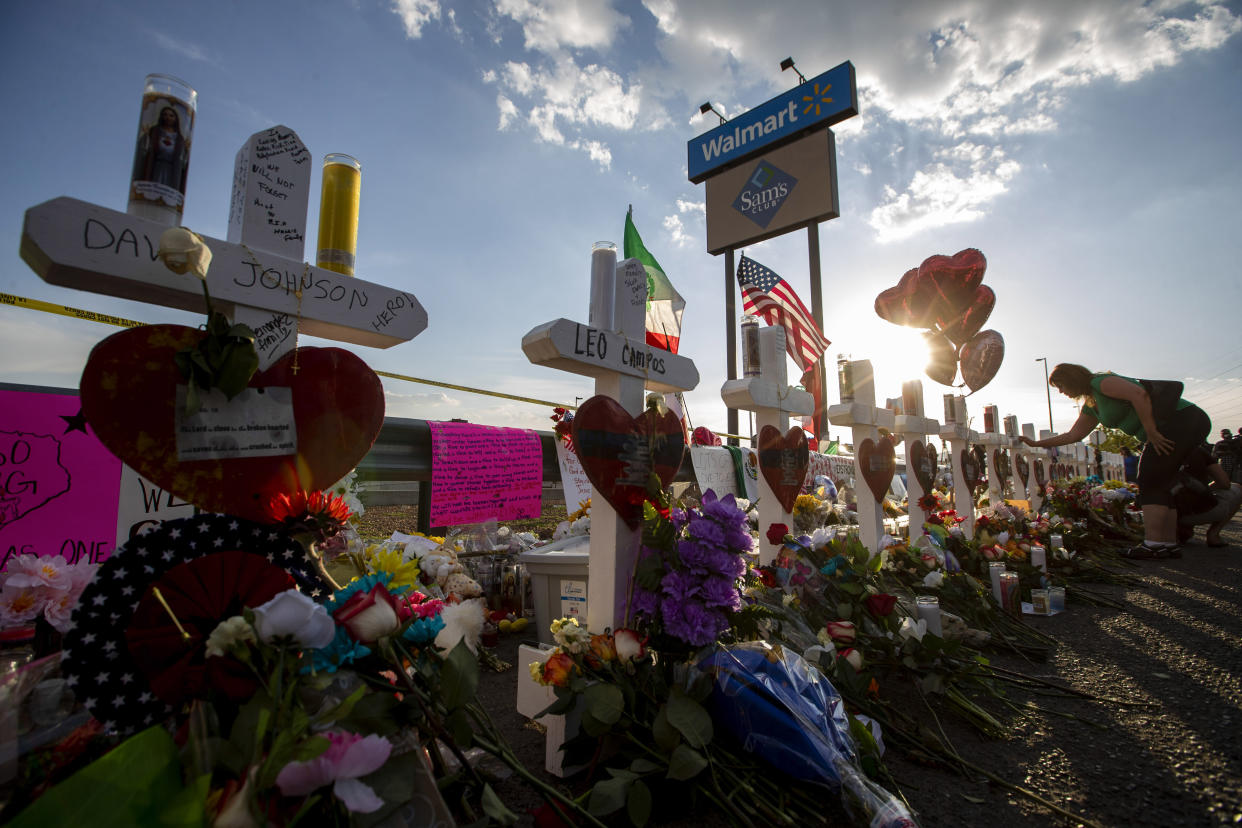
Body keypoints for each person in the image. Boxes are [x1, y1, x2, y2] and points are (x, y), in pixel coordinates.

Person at [1020, 363, 1210, 559]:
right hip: (1173, 427)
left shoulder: (1100, 382)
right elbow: (1072, 436)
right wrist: (1036, 443)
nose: (1061, 391)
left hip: (1182, 420)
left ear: (1072, 378)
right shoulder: (1092, 405)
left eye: (1061, 385)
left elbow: (1139, 394)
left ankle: (1154, 544)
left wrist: (1151, 430)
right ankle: (1167, 542)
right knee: (1160, 481)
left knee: (1149, 479)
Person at [1174, 443, 1242, 547]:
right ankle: (1213, 535)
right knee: (1237, 488)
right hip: (1197, 512)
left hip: (1162, 514)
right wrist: (1205, 491)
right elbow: (1224, 483)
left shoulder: (1152, 451)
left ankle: (1172, 531)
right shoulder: (1197, 451)